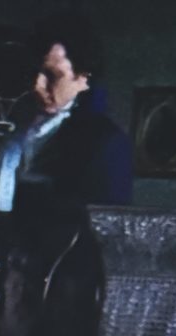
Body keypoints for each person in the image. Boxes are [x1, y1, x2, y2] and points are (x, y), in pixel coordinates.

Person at [16, 11, 133, 206]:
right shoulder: (13, 121)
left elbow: (107, 217)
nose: (37, 85)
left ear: (83, 78)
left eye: (52, 75)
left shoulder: (105, 140)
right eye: (34, 73)